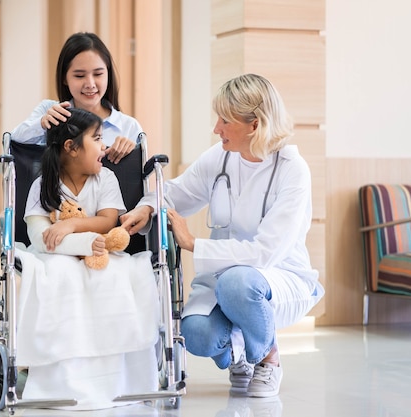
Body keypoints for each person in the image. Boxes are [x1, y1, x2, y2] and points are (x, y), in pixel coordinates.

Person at [120, 73, 324, 398]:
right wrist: (148, 207)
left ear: (254, 125)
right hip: (225, 280)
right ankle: (238, 356)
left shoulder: (292, 170)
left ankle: (267, 357)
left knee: (237, 284)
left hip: (278, 279)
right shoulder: (222, 156)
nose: (217, 129)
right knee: (196, 333)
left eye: (225, 120)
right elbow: (177, 192)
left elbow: (265, 253)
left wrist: (191, 243)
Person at [15, 107, 159, 410]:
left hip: (101, 249)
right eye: (96, 139)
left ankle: (112, 372)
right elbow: (40, 234)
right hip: (57, 255)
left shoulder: (104, 178)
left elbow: (108, 221)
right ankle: (62, 371)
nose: (104, 147)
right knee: (58, 275)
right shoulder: (44, 184)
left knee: (116, 276)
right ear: (71, 147)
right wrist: (73, 242)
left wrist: (70, 226)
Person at [11, 32, 141, 164]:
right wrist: (42, 124)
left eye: (98, 74)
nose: (90, 84)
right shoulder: (49, 111)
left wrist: (132, 155)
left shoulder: (129, 127)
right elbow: (14, 141)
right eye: (79, 76)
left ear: (108, 74)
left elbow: (140, 179)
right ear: (64, 78)